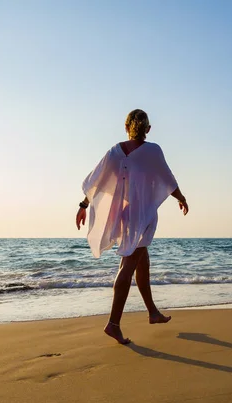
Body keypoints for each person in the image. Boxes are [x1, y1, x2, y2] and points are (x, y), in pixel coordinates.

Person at [76, 109, 188, 345]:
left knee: (141, 263)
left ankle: (153, 313)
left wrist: (83, 205)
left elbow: (95, 181)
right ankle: (113, 324)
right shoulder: (153, 150)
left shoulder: (115, 152)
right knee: (127, 266)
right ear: (148, 129)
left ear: (126, 127)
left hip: (124, 216)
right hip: (143, 217)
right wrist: (181, 198)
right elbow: (168, 179)